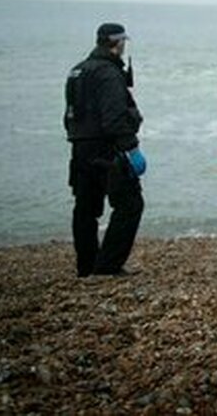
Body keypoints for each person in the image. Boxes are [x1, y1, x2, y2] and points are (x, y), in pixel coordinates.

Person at [64, 22, 146, 277]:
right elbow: (114, 117)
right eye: (123, 42)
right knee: (130, 204)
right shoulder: (109, 74)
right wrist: (131, 149)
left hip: (80, 147)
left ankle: (86, 265)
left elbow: (70, 114)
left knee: (86, 208)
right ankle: (108, 266)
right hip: (107, 149)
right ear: (117, 42)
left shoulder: (77, 70)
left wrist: (78, 139)